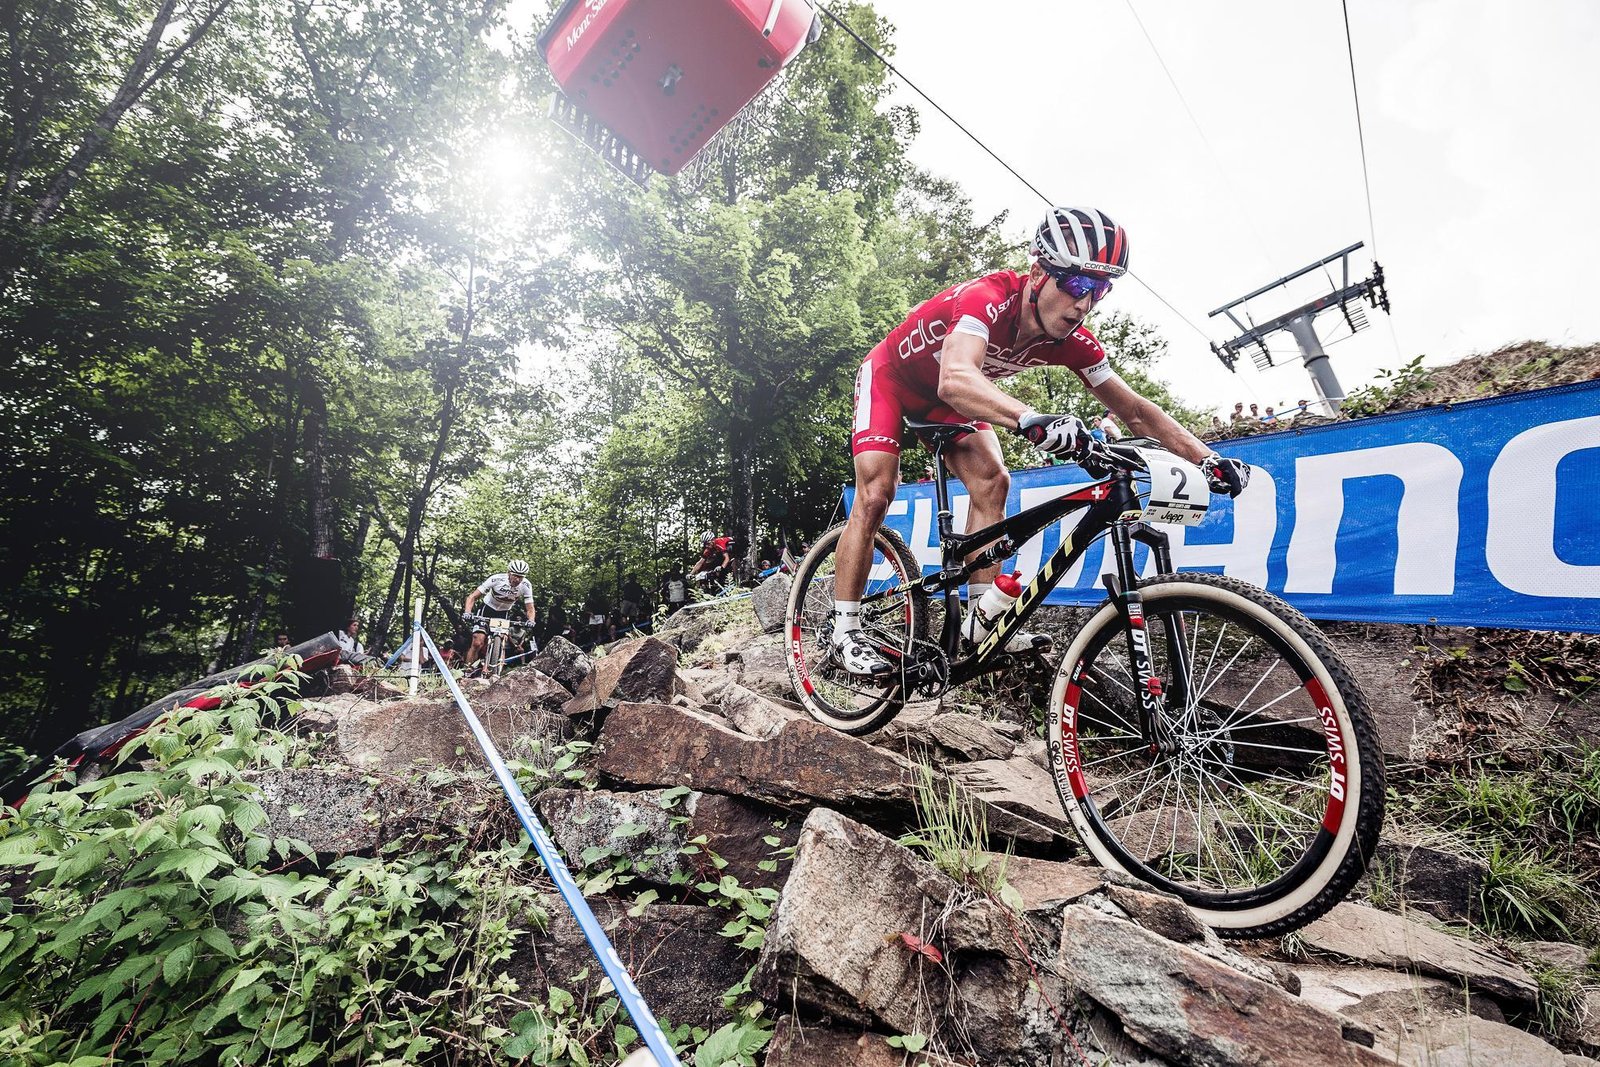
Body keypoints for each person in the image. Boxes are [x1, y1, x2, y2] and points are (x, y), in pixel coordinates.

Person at [833, 206, 1251, 676]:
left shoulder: (1073, 339)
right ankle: (844, 631)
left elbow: (1134, 410)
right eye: (1076, 285)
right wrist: (1030, 418)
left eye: (1100, 290)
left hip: (951, 400)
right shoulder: (987, 297)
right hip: (893, 380)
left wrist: (1207, 457)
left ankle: (978, 621)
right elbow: (954, 378)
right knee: (875, 495)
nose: (1084, 303)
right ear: (1037, 272)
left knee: (993, 483)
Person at [463, 559, 536, 668]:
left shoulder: (526, 585)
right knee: (477, 642)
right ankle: (467, 670)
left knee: (502, 641)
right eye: (515, 575)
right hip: (486, 610)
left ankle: (496, 670)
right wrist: (467, 612)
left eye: (521, 577)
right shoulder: (496, 579)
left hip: (503, 613)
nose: (517, 579)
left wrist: (531, 620)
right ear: (509, 573)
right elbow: (472, 597)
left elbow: (530, 608)